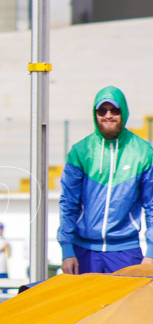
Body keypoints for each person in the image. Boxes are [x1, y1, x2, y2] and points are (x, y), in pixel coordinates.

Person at [58, 86, 153, 275]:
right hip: (83, 252)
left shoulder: (143, 152)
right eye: (102, 110)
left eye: (114, 110)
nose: (108, 115)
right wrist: (67, 250)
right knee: (85, 305)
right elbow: (69, 204)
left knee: (127, 305)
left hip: (126, 252)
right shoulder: (81, 151)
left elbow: (152, 206)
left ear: (123, 113)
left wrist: (151, 252)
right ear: (95, 114)